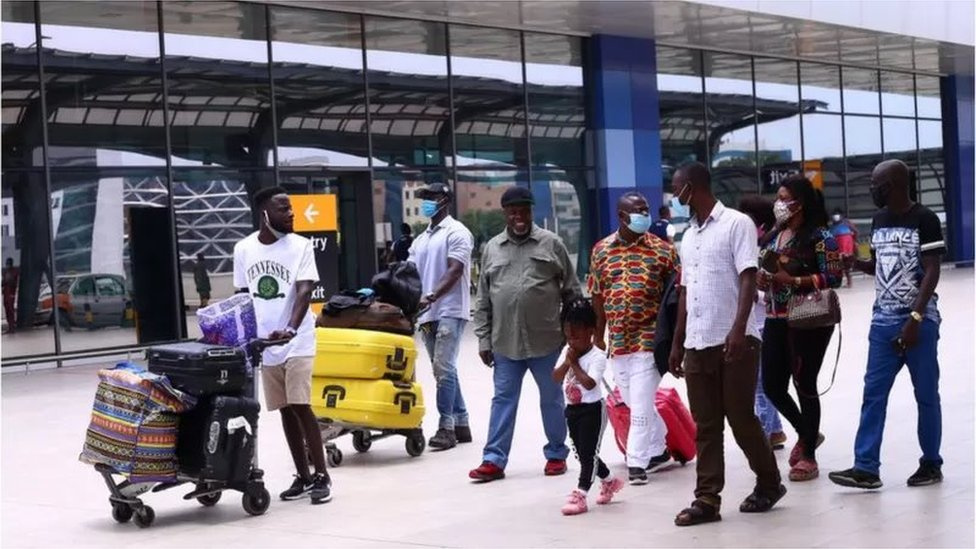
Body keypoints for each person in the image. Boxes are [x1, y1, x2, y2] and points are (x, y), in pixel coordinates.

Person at [668, 162, 785, 527]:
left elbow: (748, 278)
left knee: (740, 418)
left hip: (735, 339)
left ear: (692, 187)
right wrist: (676, 343)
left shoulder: (737, 224)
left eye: (677, 189)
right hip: (697, 341)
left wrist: (738, 329)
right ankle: (706, 499)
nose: (674, 197)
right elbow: (686, 293)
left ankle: (769, 482)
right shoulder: (688, 237)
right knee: (706, 425)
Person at [829, 159, 945, 490]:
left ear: (892, 185)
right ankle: (866, 467)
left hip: (918, 322)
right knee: (873, 395)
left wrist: (916, 319)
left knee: (926, 394)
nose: (873, 190)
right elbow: (881, 267)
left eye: (876, 185)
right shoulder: (879, 220)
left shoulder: (925, 219)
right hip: (882, 322)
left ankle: (931, 463)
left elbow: (932, 270)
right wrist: (857, 263)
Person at [469, 186, 579, 482]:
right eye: (513, 211)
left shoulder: (551, 243)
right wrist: (483, 339)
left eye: (524, 210)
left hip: (547, 342)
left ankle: (556, 454)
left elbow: (572, 292)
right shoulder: (492, 247)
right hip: (505, 343)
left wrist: (574, 336)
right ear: (505, 213)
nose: (519, 216)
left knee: (552, 399)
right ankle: (493, 460)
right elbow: (483, 299)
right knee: (503, 400)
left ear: (532, 211)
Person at [233, 186, 331, 504]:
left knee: (301, 405)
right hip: (265, 344)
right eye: (283, 209)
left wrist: (290, 328)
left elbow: (304, 290)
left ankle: (322, 476)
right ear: (265, 214)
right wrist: (244, 335)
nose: (291, 214)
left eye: (291, 208)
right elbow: (243, 297)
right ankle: (303, 477)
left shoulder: (301, 246)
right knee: (285, 410)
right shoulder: (244, 249)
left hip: (298, 339)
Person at [757, 176, 843, 482]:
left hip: (808, 320)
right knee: (772, 385)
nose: (778, 203)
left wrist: (793, 281)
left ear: (800, 203)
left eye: (784, 197)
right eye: (777, 197)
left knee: (804, 382)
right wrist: (763, 280)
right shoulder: (772, 236)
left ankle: (808, 455)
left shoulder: (821, 238)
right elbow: (764, 270)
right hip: (774, 317)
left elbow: (833, 277)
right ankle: (807, 433)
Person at [589, 192, 677, 485]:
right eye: (637, 211)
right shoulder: (601, 250)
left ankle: (636, 463)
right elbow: (598, 295)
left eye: (646, 209)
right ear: (622, 217)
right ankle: (661, 448)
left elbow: (678, 297)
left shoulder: (663, 251)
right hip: (619, 341)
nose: (644, 214)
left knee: (639, 404)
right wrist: (598, 335)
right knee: (632, 400)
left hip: (650, 339)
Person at [409, 183, 475, 450]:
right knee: (445, 369)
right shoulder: (420, 239)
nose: (426, 202)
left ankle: (445, 427)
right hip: (426, 315)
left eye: (431, 198)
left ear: (445, 200)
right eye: (424, 198)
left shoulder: (457, 232)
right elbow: (410, 272)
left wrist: (433, 295)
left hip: (449, 309)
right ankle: (462, 423)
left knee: (443, 368)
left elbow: (455, 270)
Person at [552, 298, 624, 515]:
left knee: (589, 453)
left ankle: (581, 493)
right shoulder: (568, 350)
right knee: (583, 454)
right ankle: (609, 481)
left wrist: (574, 363)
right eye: (568, 334)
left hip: (592, 410)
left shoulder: (597, 356)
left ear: (591, 332)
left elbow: (590, 383)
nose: (572, 339)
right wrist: (567, 361)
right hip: (572, 409)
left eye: (577, 334)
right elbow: (556, 377)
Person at [737, 195, 787, 450]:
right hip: (755, 324)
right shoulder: (756, 246)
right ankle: (775, 429)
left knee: (759, 384)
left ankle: (767, 432)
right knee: (760, 382)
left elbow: (769, 293)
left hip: (764, 324)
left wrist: (750, 293)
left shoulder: (768, 250)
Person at [830, 208, 859, 288]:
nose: (836, 217)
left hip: (847, 246)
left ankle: (849, 283)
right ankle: (838, 282)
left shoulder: (847, 223)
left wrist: (854, 241)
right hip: (838, 246)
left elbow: (855, 232)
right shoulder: (833, 226)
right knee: (838, 265)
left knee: (846, 265)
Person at [2, 258, 18, 334]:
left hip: (10, 294)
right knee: (7, 310)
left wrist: (7, 279)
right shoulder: (5, 272)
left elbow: (13, 282)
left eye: (8, 263)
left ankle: (12, 328)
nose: (7, 265)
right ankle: (10, 327)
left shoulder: (14, 272)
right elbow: (3, 282)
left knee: (10, 310)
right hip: (6, 294)